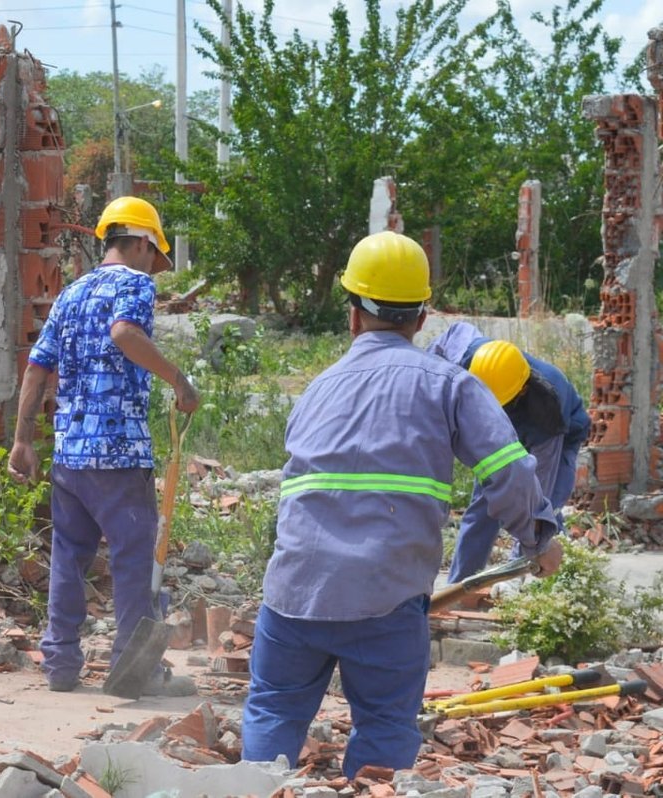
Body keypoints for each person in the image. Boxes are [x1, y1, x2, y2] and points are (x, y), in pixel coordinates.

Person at [241, 231, 563, 777]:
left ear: (352, 315)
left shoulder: (316, 389)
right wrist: (539, 538)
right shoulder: (450, 386)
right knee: (385, 726)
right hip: (385, 598)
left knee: (273, 712)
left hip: (293, 594)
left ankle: (252, 788)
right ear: (421, 318)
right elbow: (508, 471)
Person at [7, 196, 200, 695]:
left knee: (69, 559)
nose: (152, 268)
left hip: (70, 456)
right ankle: (134, 672)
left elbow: (36, 368)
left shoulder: (71, 293)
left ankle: (60, 665)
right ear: (142, 244)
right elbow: (124, 332)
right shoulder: (135, 284)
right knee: (133, 561)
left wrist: (23, 440)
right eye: (153, 256)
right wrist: (178, 380)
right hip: (118, 453)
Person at [427, 322, 590, 582]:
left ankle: (526, 585)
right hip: (505, 425)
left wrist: (533, 541)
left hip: (560, 434)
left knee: (546, 512)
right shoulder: (477, 358)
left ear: (521, 390)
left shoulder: (547, 410)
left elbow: (535, 495)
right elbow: (455, 333)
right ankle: (460, 585)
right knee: (484, 505)